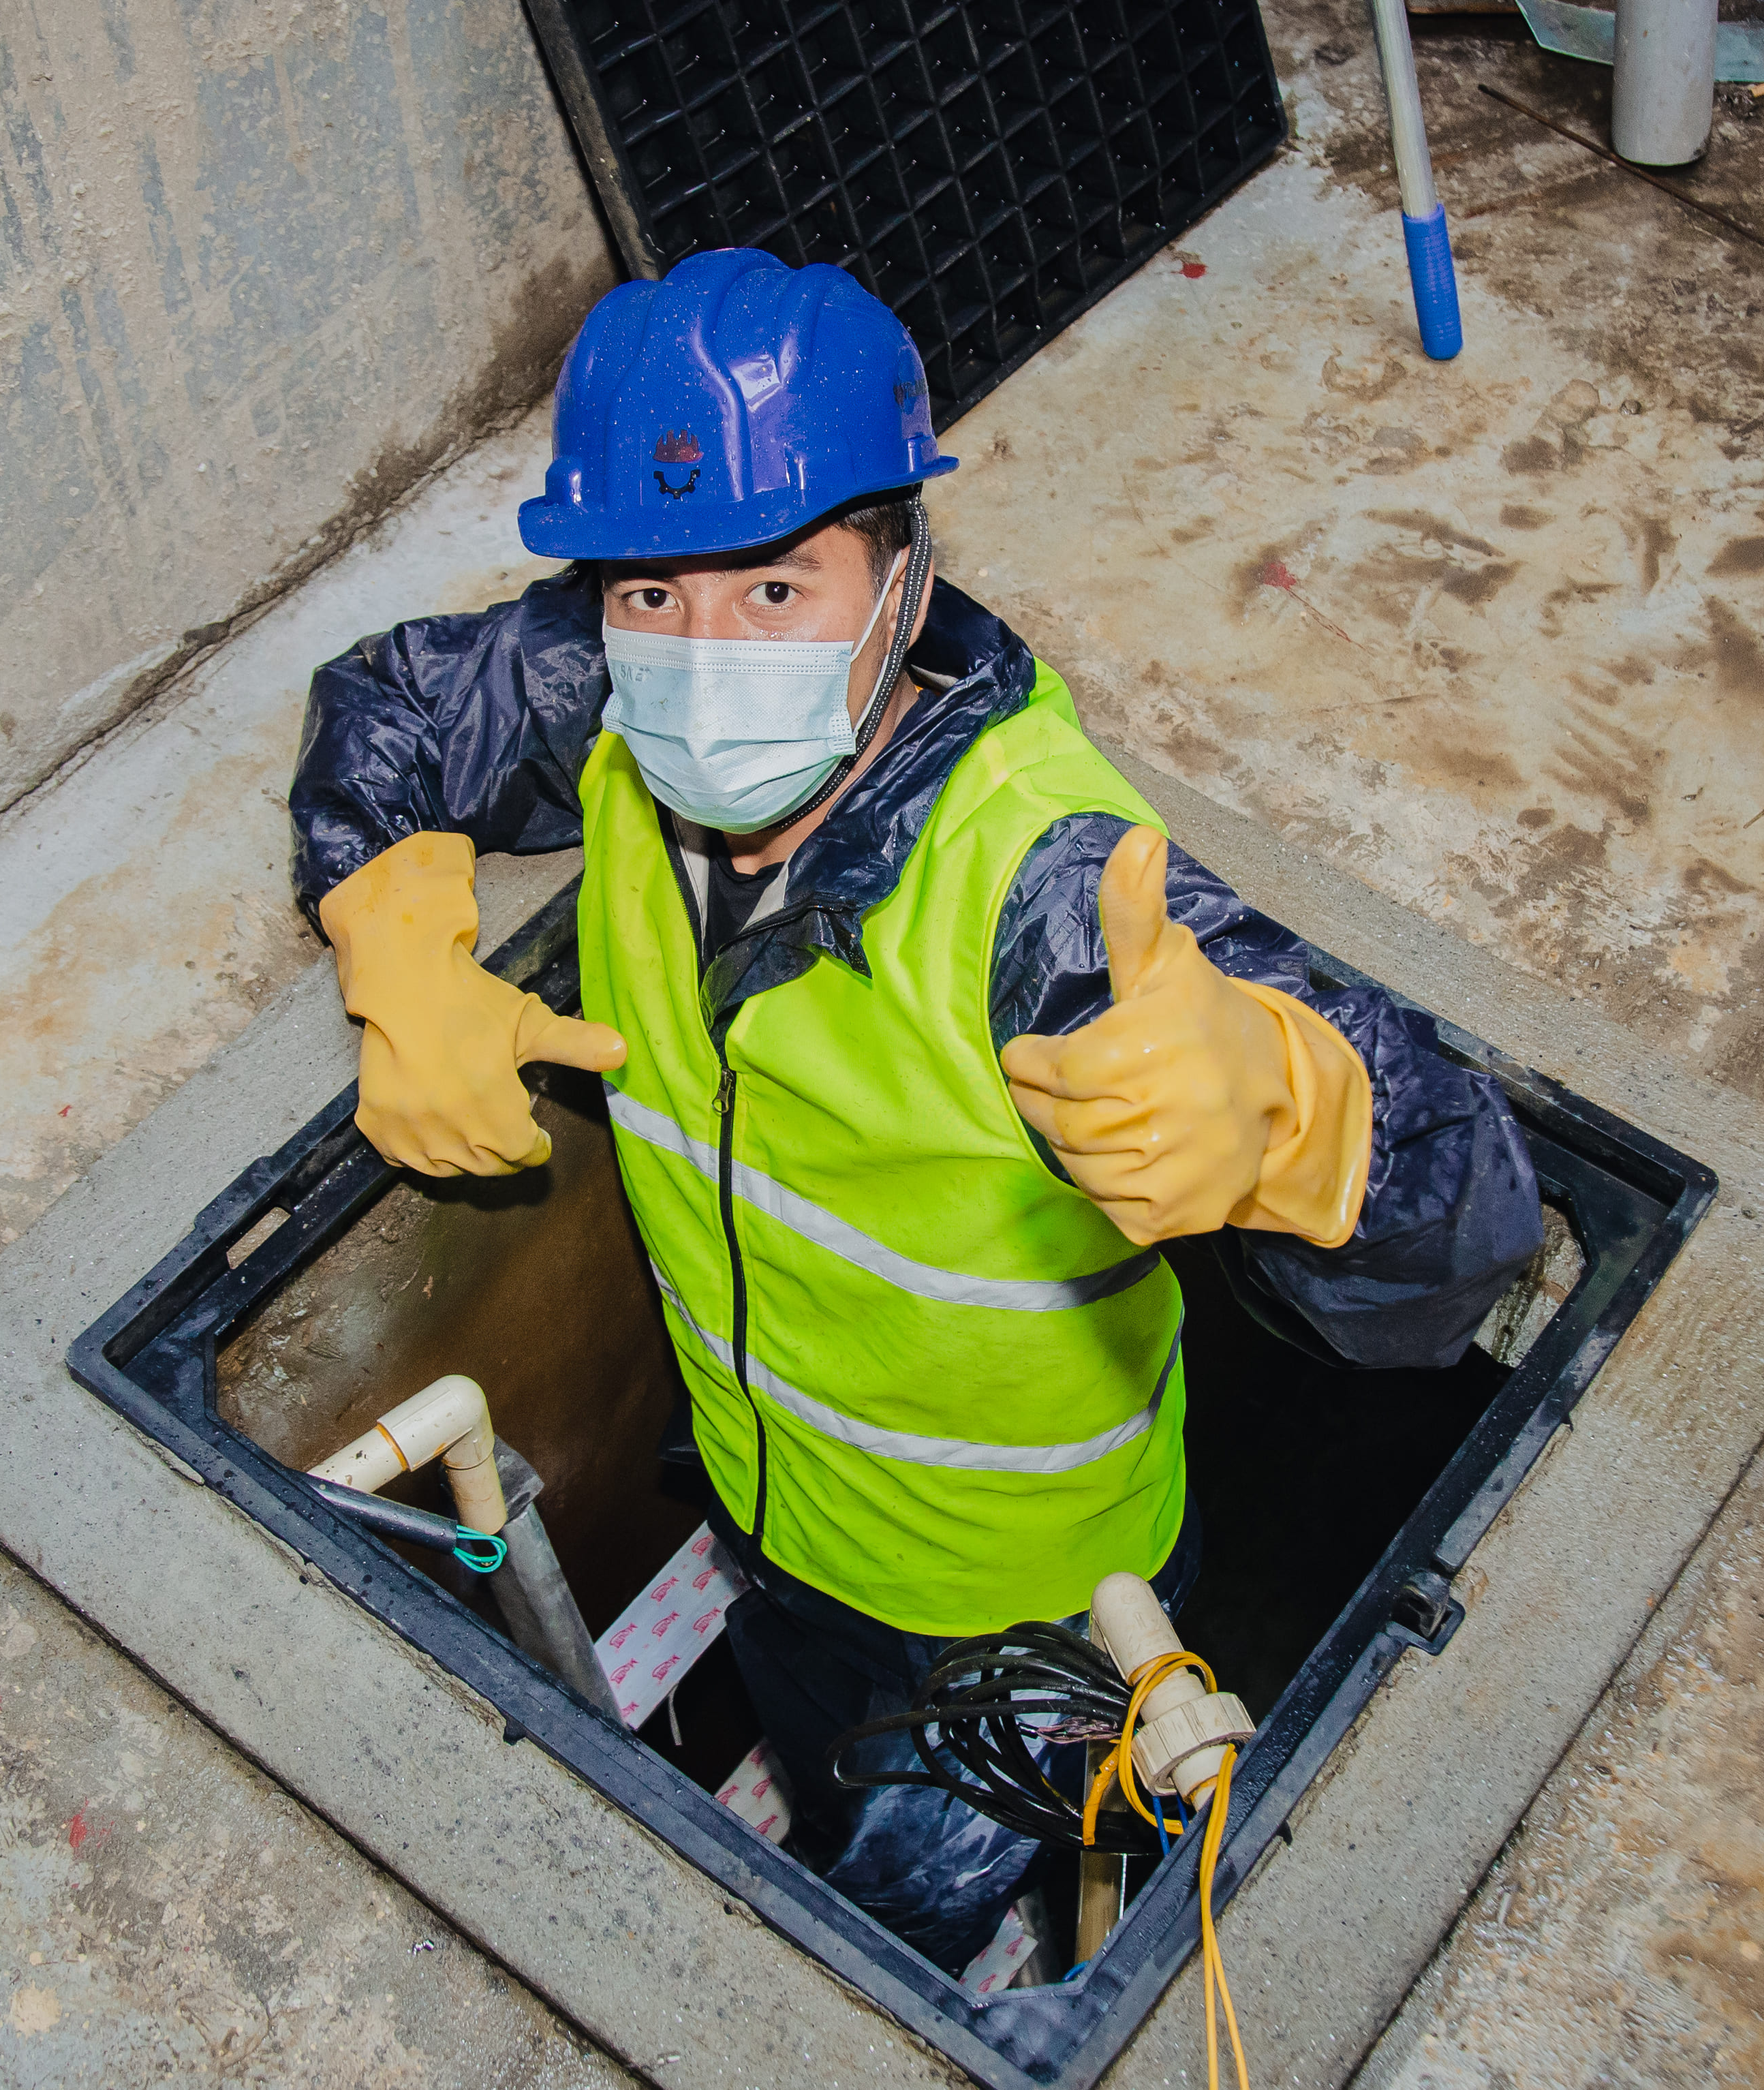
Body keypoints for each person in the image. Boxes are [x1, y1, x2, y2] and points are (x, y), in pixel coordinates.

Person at [289, 248, 1541, 1973]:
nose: (701, 652)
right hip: (771, 1523)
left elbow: (1475, 1224)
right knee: (821, 1799)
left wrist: (1297, 1114)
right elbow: (393, 703)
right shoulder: (616, 693)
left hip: (1018, 1618)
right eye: (650, 591)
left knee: (892, 1952)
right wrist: (396, 941)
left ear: (899, 575)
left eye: (774, 587)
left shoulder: (1038, 887)